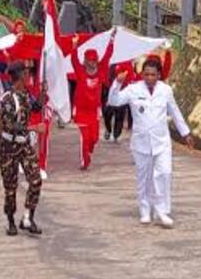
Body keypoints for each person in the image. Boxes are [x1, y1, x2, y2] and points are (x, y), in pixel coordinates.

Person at [107, 56, 194, 228]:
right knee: (144, 177)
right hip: (141, 143)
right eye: (146, 74)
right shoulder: (133, 89)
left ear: (159, 75)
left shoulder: (166, 90)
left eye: (153, 75)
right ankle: (145, 210)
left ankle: (162, 211)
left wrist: (186, 133)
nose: (149, 78)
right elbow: (113, 101)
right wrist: (116, 84)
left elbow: (175, 112)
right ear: (142, 75)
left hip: (162, 141)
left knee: (164, 174)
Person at [0, 61, 46, 236]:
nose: (28, 75)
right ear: (19, 76)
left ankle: (27, 217)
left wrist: (42, 94)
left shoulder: (26, 94)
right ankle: (10, 220)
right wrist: (34, 128)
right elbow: (10, 125)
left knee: (36, 180)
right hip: (9, 147)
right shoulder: (8, 98)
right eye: (25, 73)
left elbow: (37, 107)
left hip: (24, 144)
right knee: (10, 187)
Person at [71, 32, 117, 170]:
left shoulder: (102, 70)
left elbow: (108, 55)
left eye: (93, 60)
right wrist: (75, 45)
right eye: (89, 60)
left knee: (94, 138)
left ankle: (89, 151)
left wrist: (112, 40)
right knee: (85, 138)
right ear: (85, 60)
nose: (91, 62)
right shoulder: (80, 71)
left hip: (94, 111)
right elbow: (74, 60)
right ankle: (84, 162)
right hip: (81, 110)